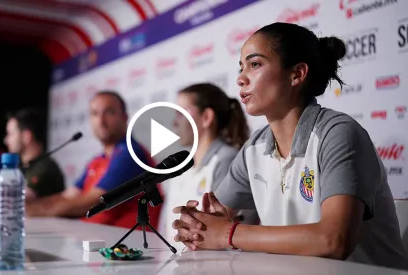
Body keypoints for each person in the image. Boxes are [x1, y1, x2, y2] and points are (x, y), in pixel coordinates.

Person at [172, 22, 408, 270]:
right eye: (241, 68)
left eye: (255, 65)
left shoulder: (338, 133)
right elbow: (213, 221)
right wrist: (198, 227)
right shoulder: (254, 148)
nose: (241, 79)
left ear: (297, 74)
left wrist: (228, 234)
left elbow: (334, 240)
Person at [27, 91, 162, 229]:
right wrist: (28, 206)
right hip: (95, 241)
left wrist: (29, 210)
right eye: (95, 114)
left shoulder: (130, 154)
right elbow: (69, 196)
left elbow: (89, 203)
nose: (101, 121)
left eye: (109, 112)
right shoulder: (97, 160)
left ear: (124, 117)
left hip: (125, 247)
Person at [160, 83, 250, 250]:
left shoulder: (226, 159)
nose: (174, 121)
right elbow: (165, 227)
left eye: (181, 113)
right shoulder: (179, 165)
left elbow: (215, 231)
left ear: (206, 117)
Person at [4, 108, 65, 202]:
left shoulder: (45, 167)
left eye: (11, 134)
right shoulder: (21, 167)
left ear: (26, 136)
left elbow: (15, 200)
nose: (6, 140)